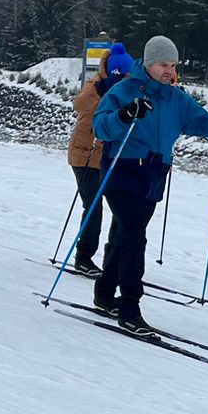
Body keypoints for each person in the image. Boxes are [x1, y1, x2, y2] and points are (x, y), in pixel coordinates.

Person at [89, 36, 208, 331]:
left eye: (172, 65)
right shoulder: (124, 90)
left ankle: (105, 294)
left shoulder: (176, 97)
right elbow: (101, 127)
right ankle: (129, 307)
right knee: (134, 235)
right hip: (122, 170)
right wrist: (125, 114)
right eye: (162, 65)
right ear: (148, 64)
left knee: (125, 232)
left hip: (154, 174)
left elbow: (202, 125)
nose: (169, 71)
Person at [67, 42, 133, 276]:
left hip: (109, 158)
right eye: (123, 75)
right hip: (84, 155)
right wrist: (103, 91)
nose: (127, 78)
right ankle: (83, 257)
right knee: (93, 206)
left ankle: (112, 258)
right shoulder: (96, 85)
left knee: (120, 209)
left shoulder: (128, 90)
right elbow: (80, 106)